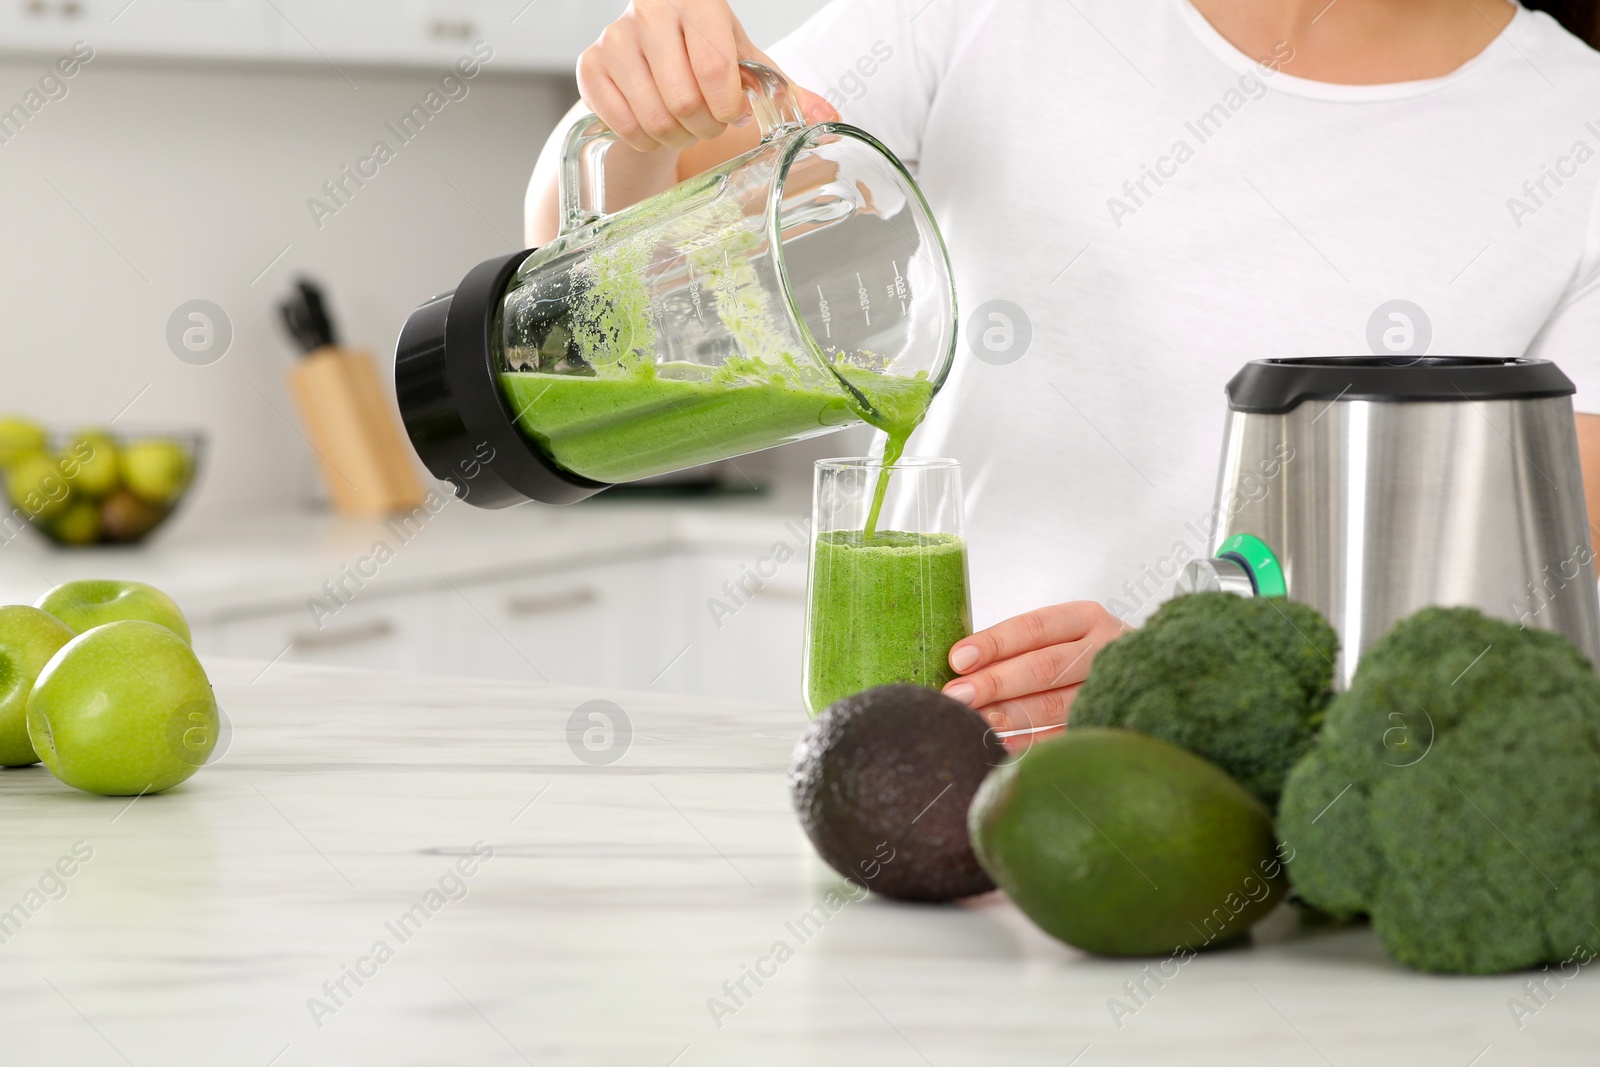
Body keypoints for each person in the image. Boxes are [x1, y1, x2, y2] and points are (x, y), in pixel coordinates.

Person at [526, 0, 1600, 741]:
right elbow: (621, 278)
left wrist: (1193, 675)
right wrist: (638, 128)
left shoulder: (1575, 132)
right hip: (912, 810)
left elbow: (1519, 607)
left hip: (1300, 871)